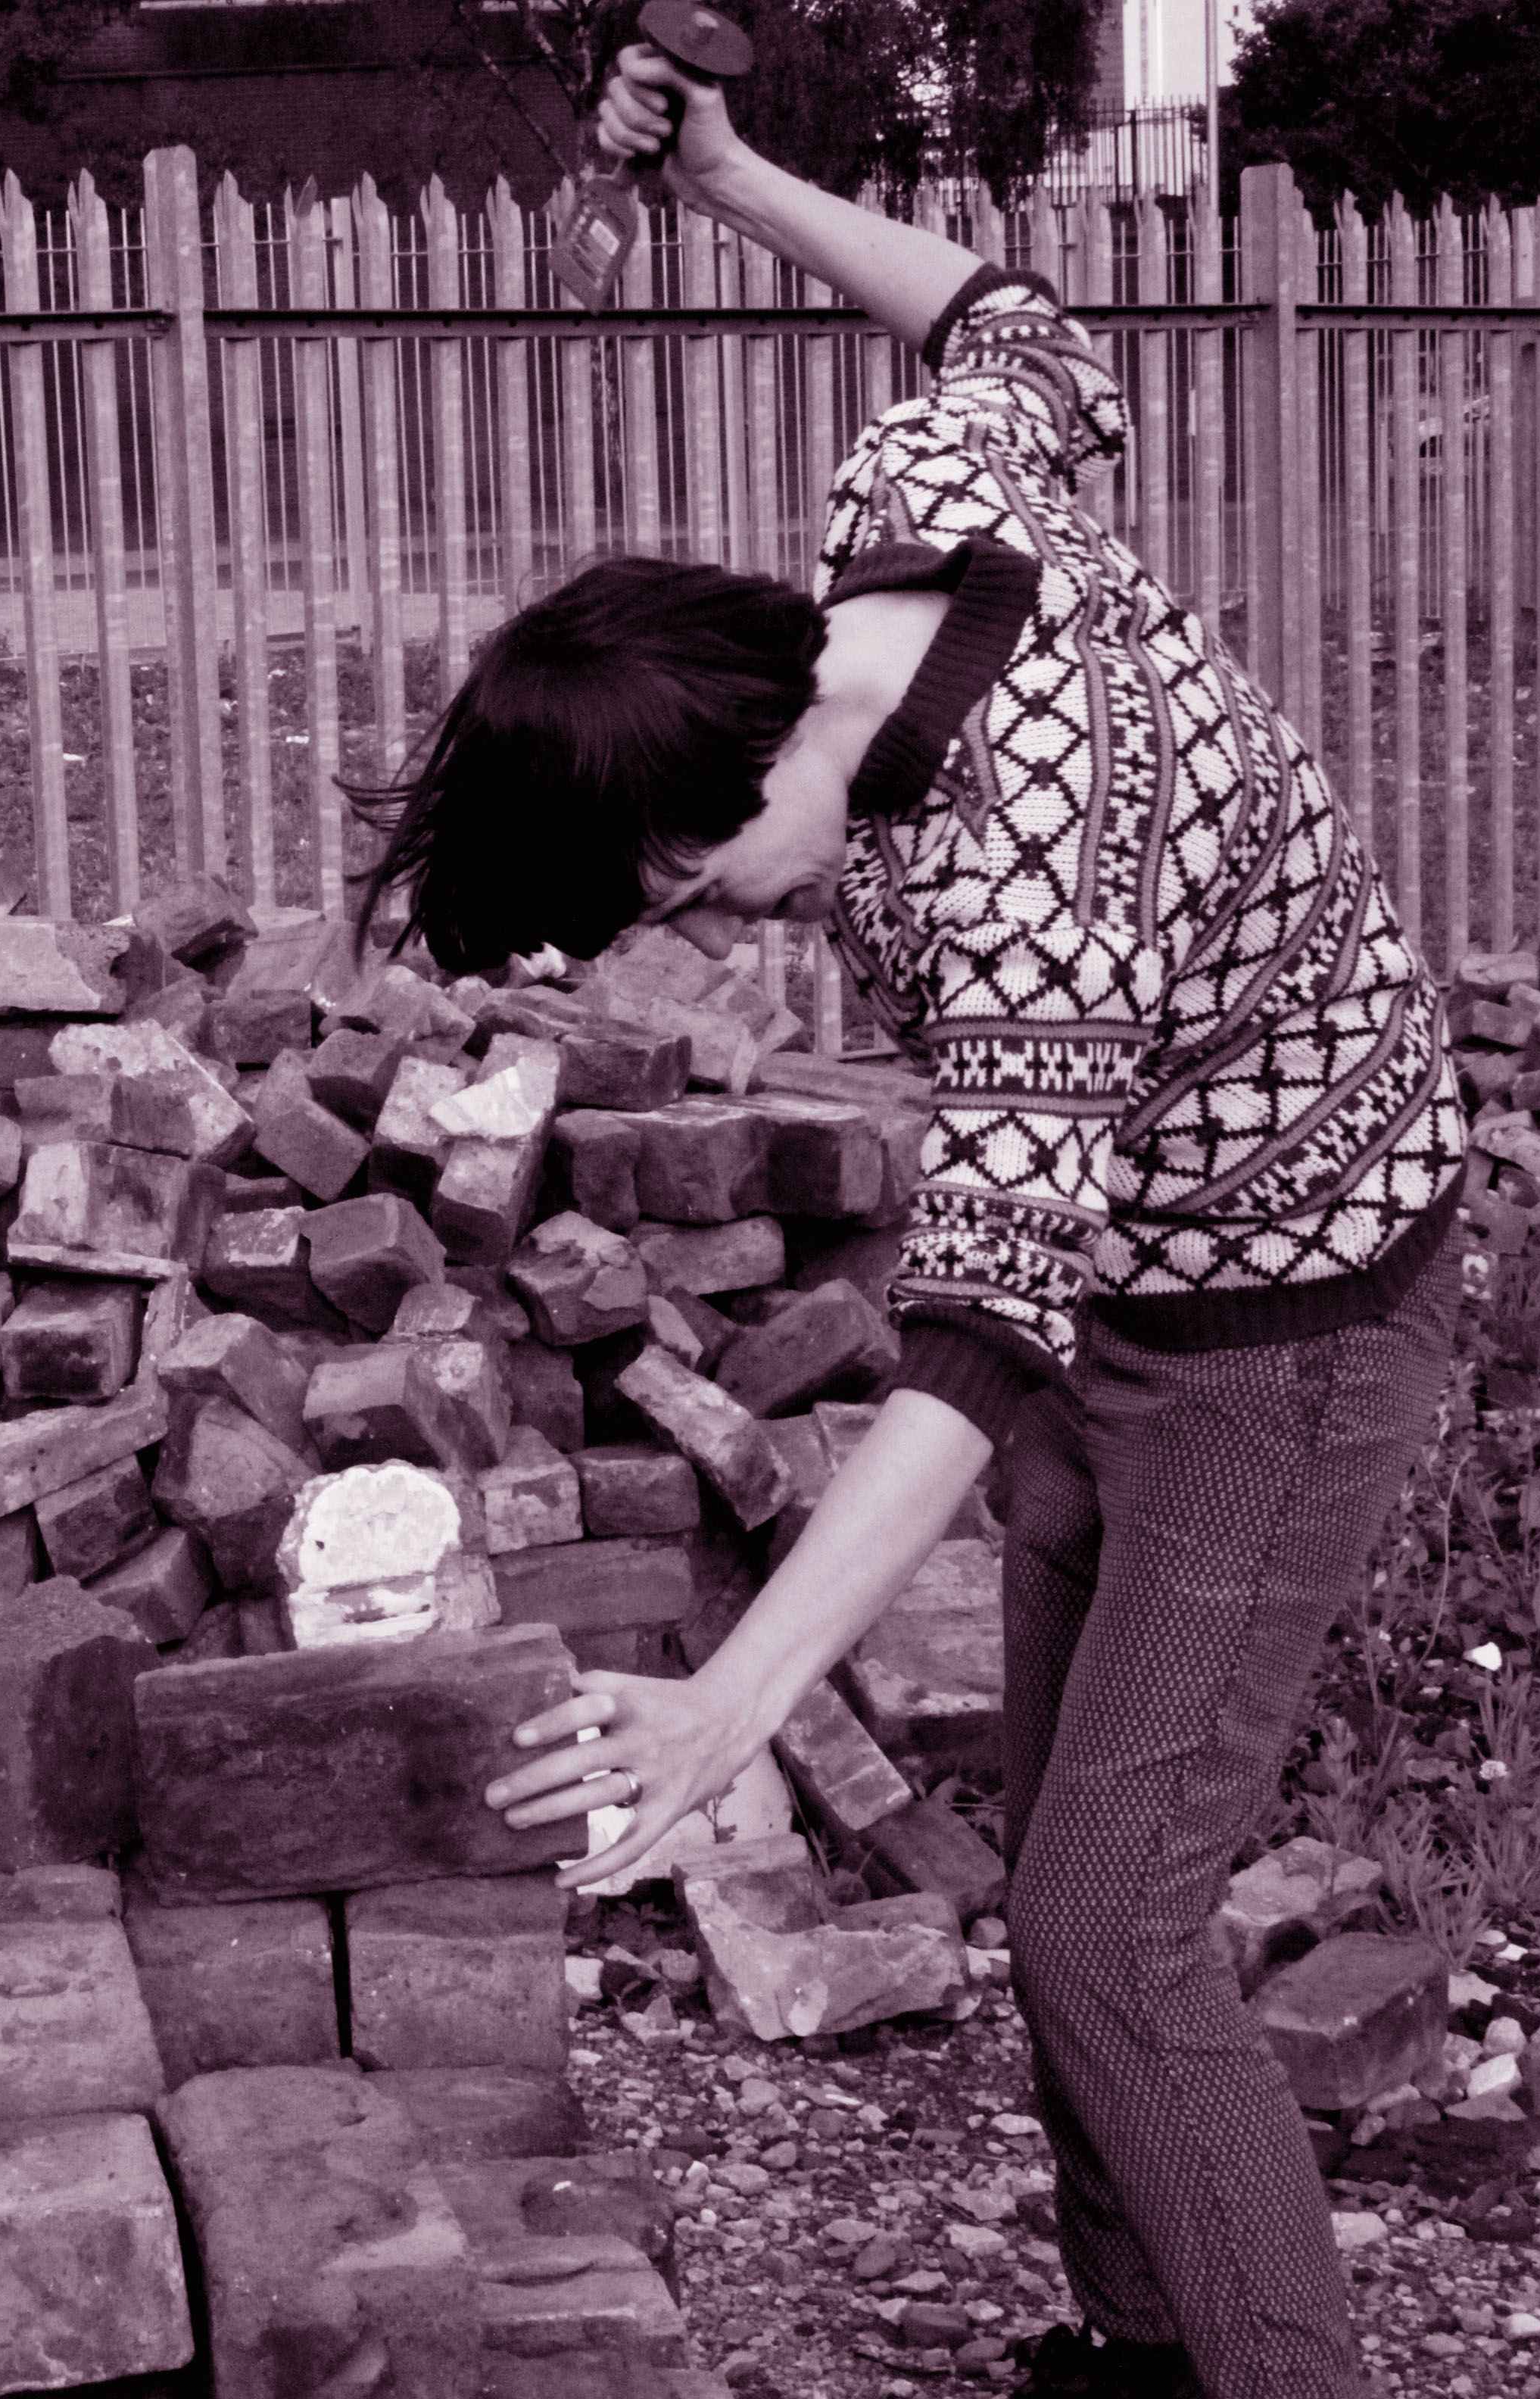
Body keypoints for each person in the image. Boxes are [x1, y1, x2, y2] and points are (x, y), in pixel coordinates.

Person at [382, 48, 1467, 2399]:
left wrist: (731, 1701)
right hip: (1143, 1272)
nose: (717, 932)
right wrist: (733, 175)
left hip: (1288, 1334)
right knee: (1074, 1873)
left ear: (716, 805)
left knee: (1109, 1925)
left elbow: (976, 1335)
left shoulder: (1025, 869)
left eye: (682, 895)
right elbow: (1008, 321)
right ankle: (1142, 2347)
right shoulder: (913, 512)